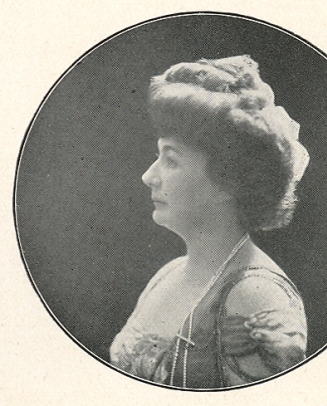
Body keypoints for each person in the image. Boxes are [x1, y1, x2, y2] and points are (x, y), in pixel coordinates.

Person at [110, 55, 310, 389]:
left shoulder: (255, 295)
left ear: (227, 181)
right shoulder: (169, 273)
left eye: (171, 160)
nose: (149, 176)